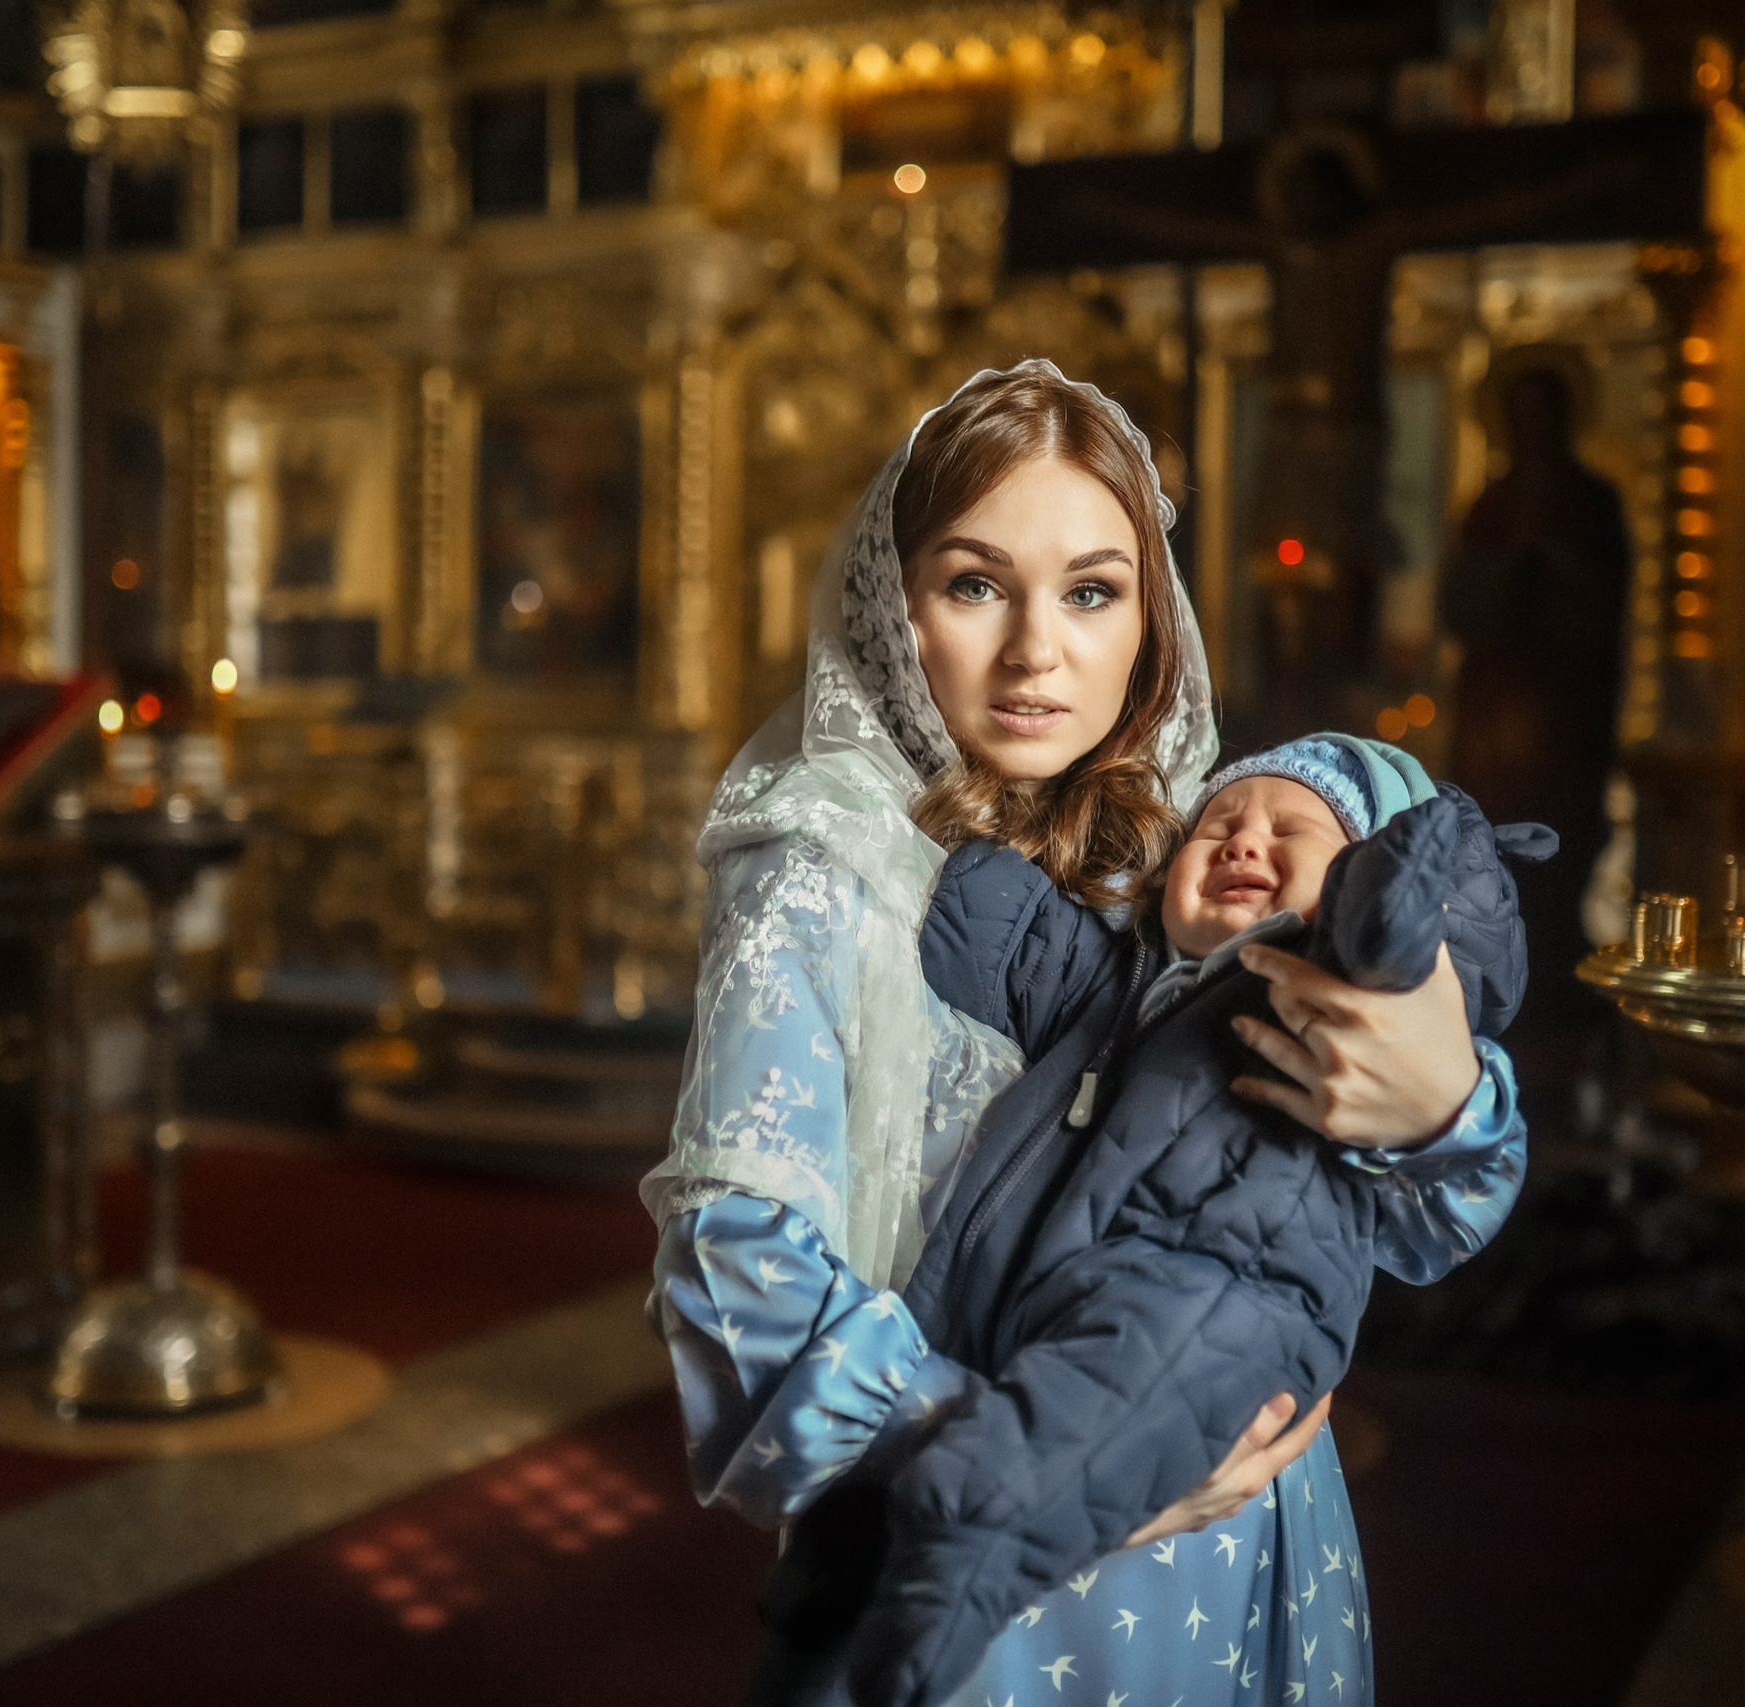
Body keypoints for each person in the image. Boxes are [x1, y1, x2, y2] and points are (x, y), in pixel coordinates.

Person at [643, 361, 1501, 1706]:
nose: (1038, 651)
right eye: (976, 584)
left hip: (1249, 1528)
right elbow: (735, 1271)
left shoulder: (1194, 854)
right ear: (892, 598)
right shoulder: (823, 863)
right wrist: (1051, 1462)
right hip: (999, 1560)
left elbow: (1401, 1217)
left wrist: (1445, 1101)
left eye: (1092, 591)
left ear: (1151, 621)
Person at [839, 737, 1542, 1707]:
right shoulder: (1120, 987)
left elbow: (1449, 1200)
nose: (1245, 840)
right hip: (1027, 1359)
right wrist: (984, 848)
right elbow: (996, 940)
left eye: (1291, 830)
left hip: (1205, 1407)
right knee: (956, 1569)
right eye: (1218, 824)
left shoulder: (1345, 1010)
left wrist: (1439, 1107)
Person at [1440, 364, 1628, 1101]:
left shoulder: (1590, 503)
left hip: (1563, 722)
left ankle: (1557, 1032)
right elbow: (1463, 609)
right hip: (1496, 725)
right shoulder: (1490, 507)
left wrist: (1553, 561)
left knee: (1557, 871)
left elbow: (1600, 606)